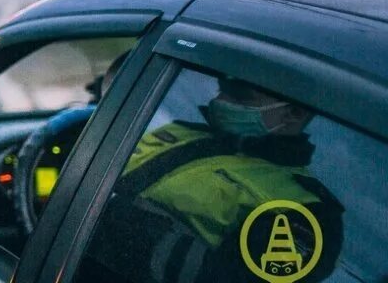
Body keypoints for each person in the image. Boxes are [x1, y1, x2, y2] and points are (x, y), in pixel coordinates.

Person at [76, 78, 343, 282]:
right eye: (223, 87)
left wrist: (115, 219)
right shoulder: (182, 132)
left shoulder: (306, 211)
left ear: (293, 114)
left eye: (239, 95)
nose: (219, 100)